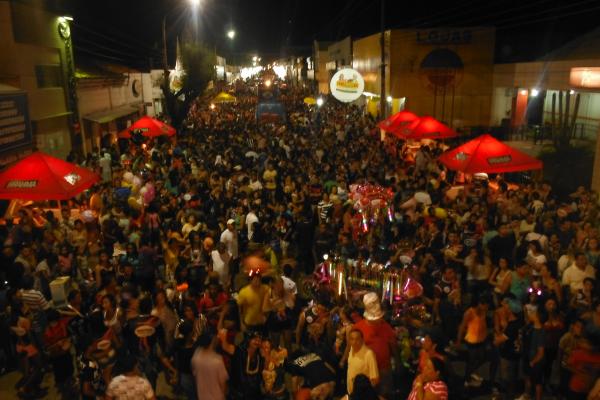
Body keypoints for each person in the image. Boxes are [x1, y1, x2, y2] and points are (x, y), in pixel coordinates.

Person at [352, 292, 396, 398]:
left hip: (384, 370)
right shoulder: (358, 328)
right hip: (366, 372)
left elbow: (393, 346)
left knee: (384, 395)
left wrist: (397, 364)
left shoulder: (386, 327)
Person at [191, 332, 228, 400]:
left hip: (201, 395)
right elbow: (223, 383)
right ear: (211, 343)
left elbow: (195, 375)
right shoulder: (217, 361)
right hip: (216, 397)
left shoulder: (196, 355)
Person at [346, 329, 379, 395]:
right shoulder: (352, 349)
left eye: (357, 339)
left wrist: (364, 393)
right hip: (351, 393)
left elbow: (375, 379)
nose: (354, 342)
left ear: (362, 339)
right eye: (352, 339)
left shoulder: (369, 354)